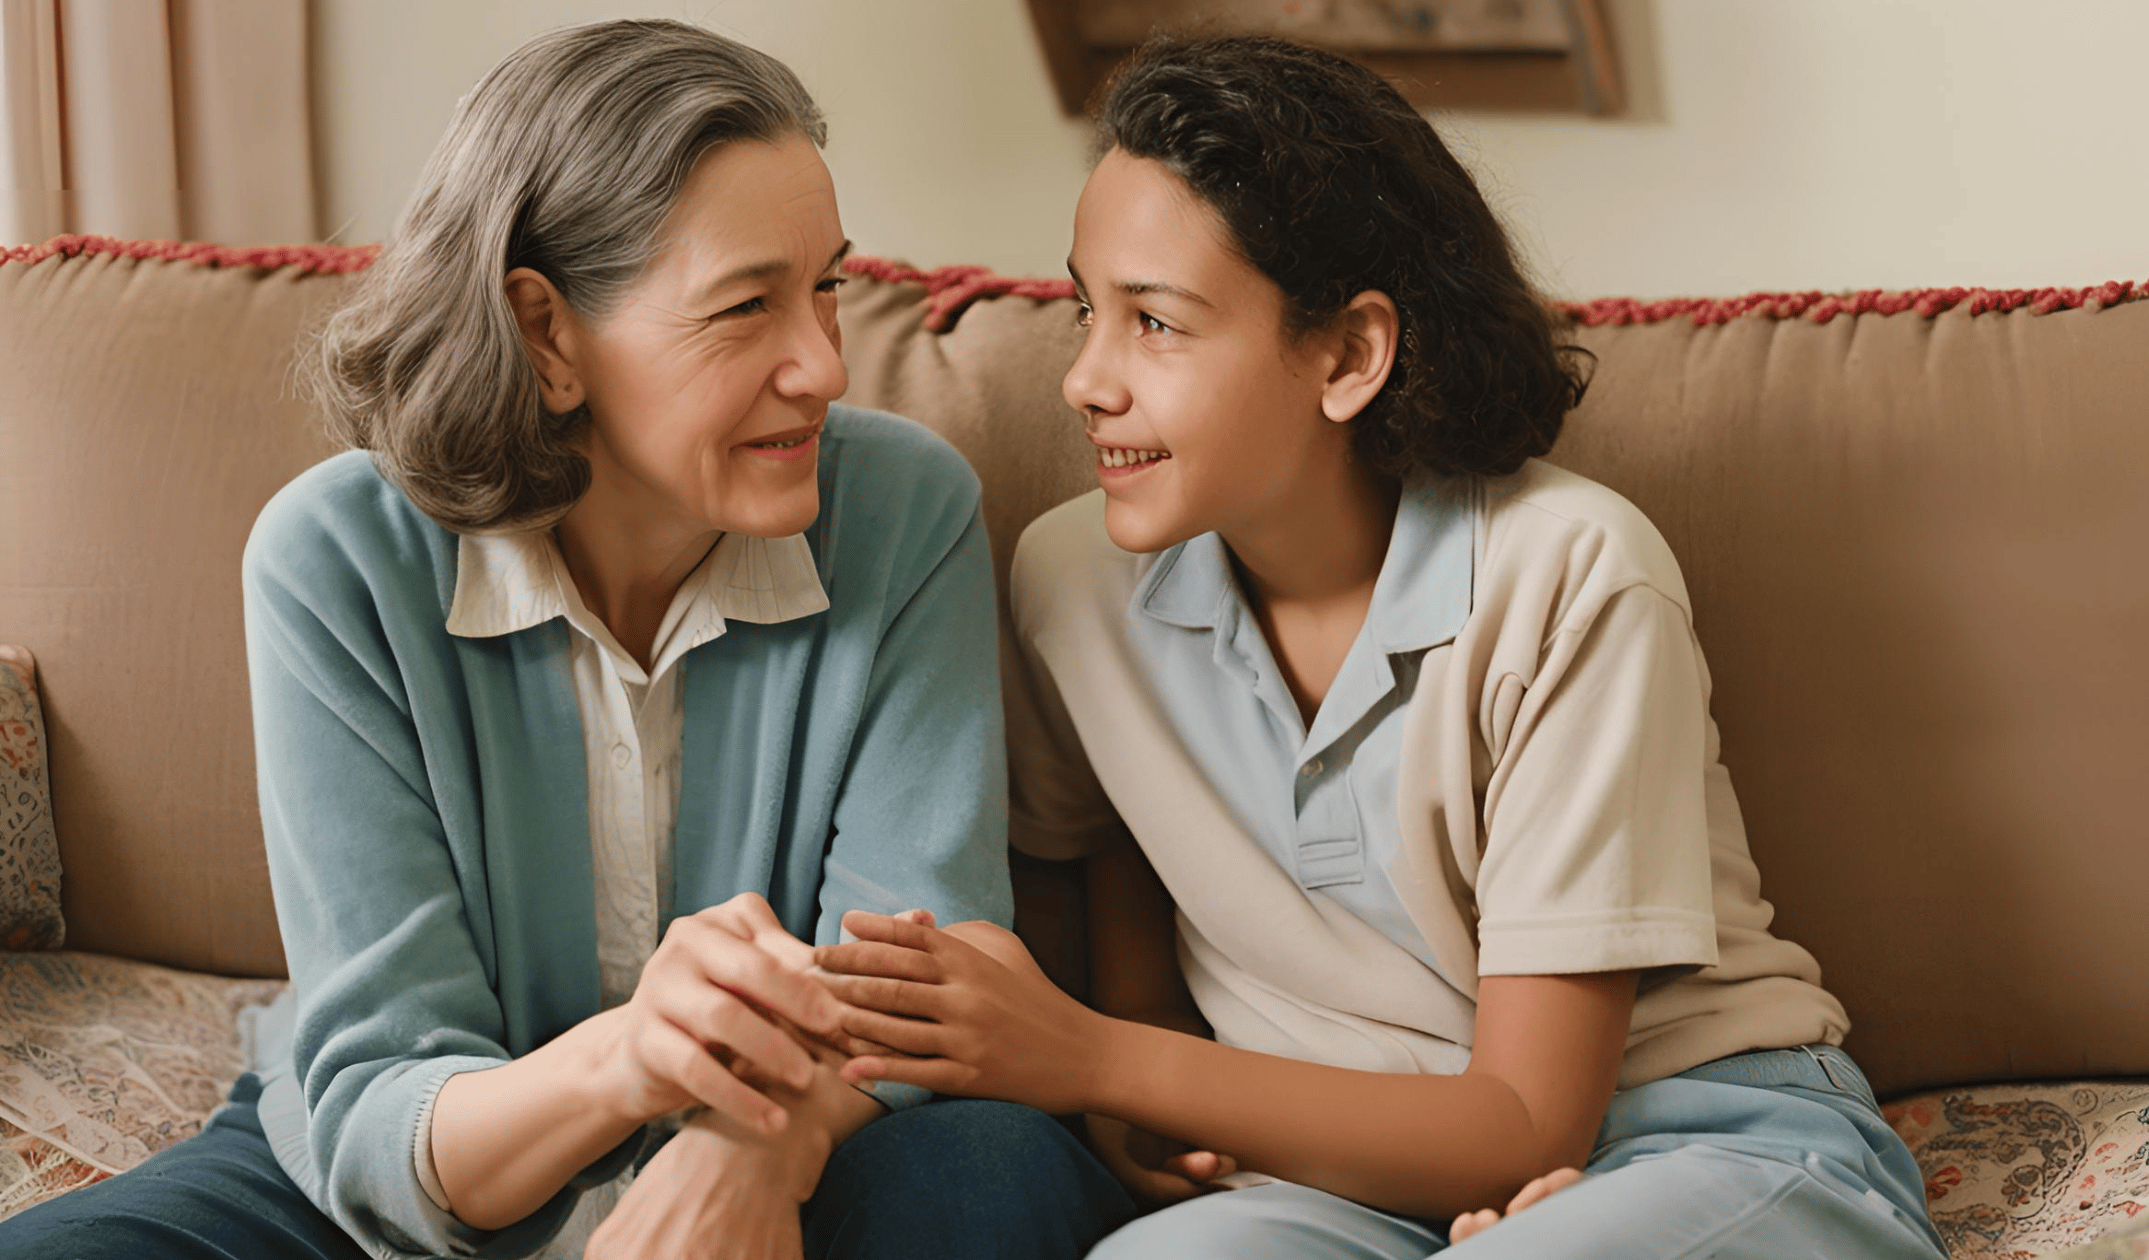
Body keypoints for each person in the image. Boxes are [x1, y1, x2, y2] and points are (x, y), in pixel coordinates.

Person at [0, 19, 1131, 1260]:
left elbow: (913, 992)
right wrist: (626, 1062)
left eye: (826, 288)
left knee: (994, 1178)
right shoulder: (333, 560)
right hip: (426, 1164)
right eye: (746, 305)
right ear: (544, 334)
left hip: (811, 1147)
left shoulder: (907, 513)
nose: (820, 364)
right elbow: (381, 1097)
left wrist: (745, 1145)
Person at [813, 35, 1949, 1260]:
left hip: (1684, 1138)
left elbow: (1524, 1122)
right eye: (1090, 309)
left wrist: (1093, 1055)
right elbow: (1117, 870)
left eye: (1154, 323)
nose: (1086, 378)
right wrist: (1133, 1091)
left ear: (1349, 354)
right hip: (1322, 1184)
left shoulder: (1569, 575)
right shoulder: (1065, 582)